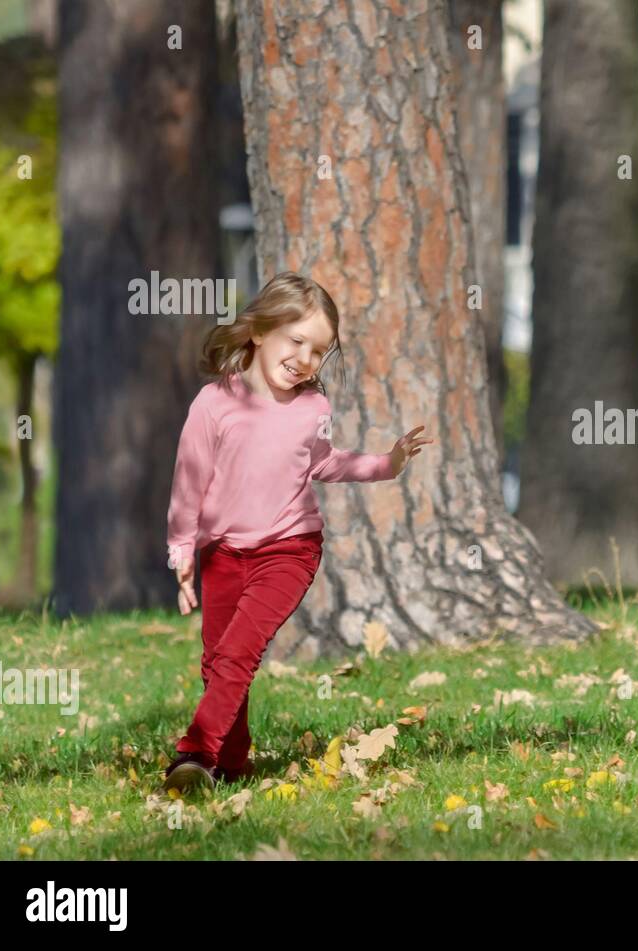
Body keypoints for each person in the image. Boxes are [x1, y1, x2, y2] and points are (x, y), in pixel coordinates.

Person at [163, 272, 432, 792]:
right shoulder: (213, 403)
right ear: (259, 332)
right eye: (296, 340)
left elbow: (323, 463)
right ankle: (231, 760)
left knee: (239, 652)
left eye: (319, 350)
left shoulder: (314, 407)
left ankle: (193, 753)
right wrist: (182, 548)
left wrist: (386, 464)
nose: (306, 359)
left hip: (290, 549)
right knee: (217, 661)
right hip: (223, 553)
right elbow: (188, 480)